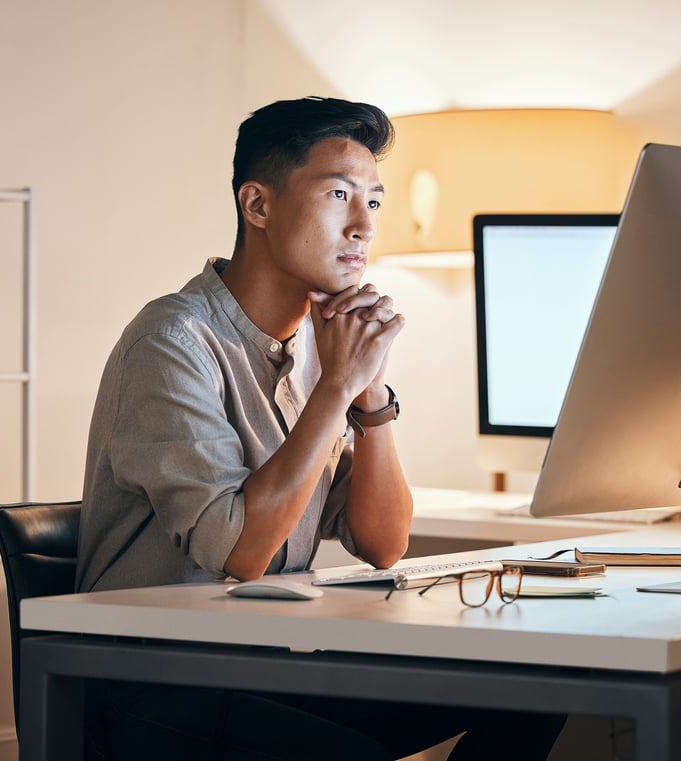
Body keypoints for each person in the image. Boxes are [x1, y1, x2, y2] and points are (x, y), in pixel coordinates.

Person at [78, 96, 564, 760]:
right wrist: (336, 386)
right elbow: (240, 553)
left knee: (538, 687)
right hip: (152, 684)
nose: (363, 225)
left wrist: (368, 390)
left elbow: (381, 541)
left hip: (266, 665)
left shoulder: (321, 346)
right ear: (258, 206)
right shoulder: (172, 340)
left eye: (375, 201)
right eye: (339, 194)